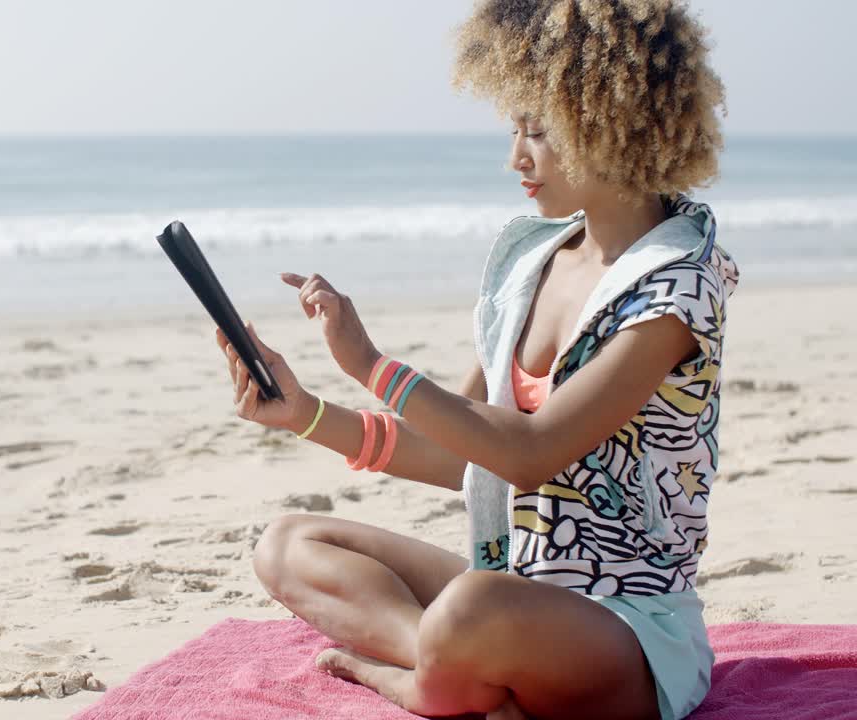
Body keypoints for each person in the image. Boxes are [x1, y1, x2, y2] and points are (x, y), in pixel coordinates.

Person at [213, 1, 738, 719]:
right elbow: (459, 454)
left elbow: (531, 454)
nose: (516, 158)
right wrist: (305, 414)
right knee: (288, 542)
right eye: (515, 130)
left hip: (628, 632)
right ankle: (456, 666)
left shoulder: (675, 289)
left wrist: (370, 362)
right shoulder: (534, 263)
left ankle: (421, 678)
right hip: (514, 586)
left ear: (612, 123)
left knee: (471, 606)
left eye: (537, 132)